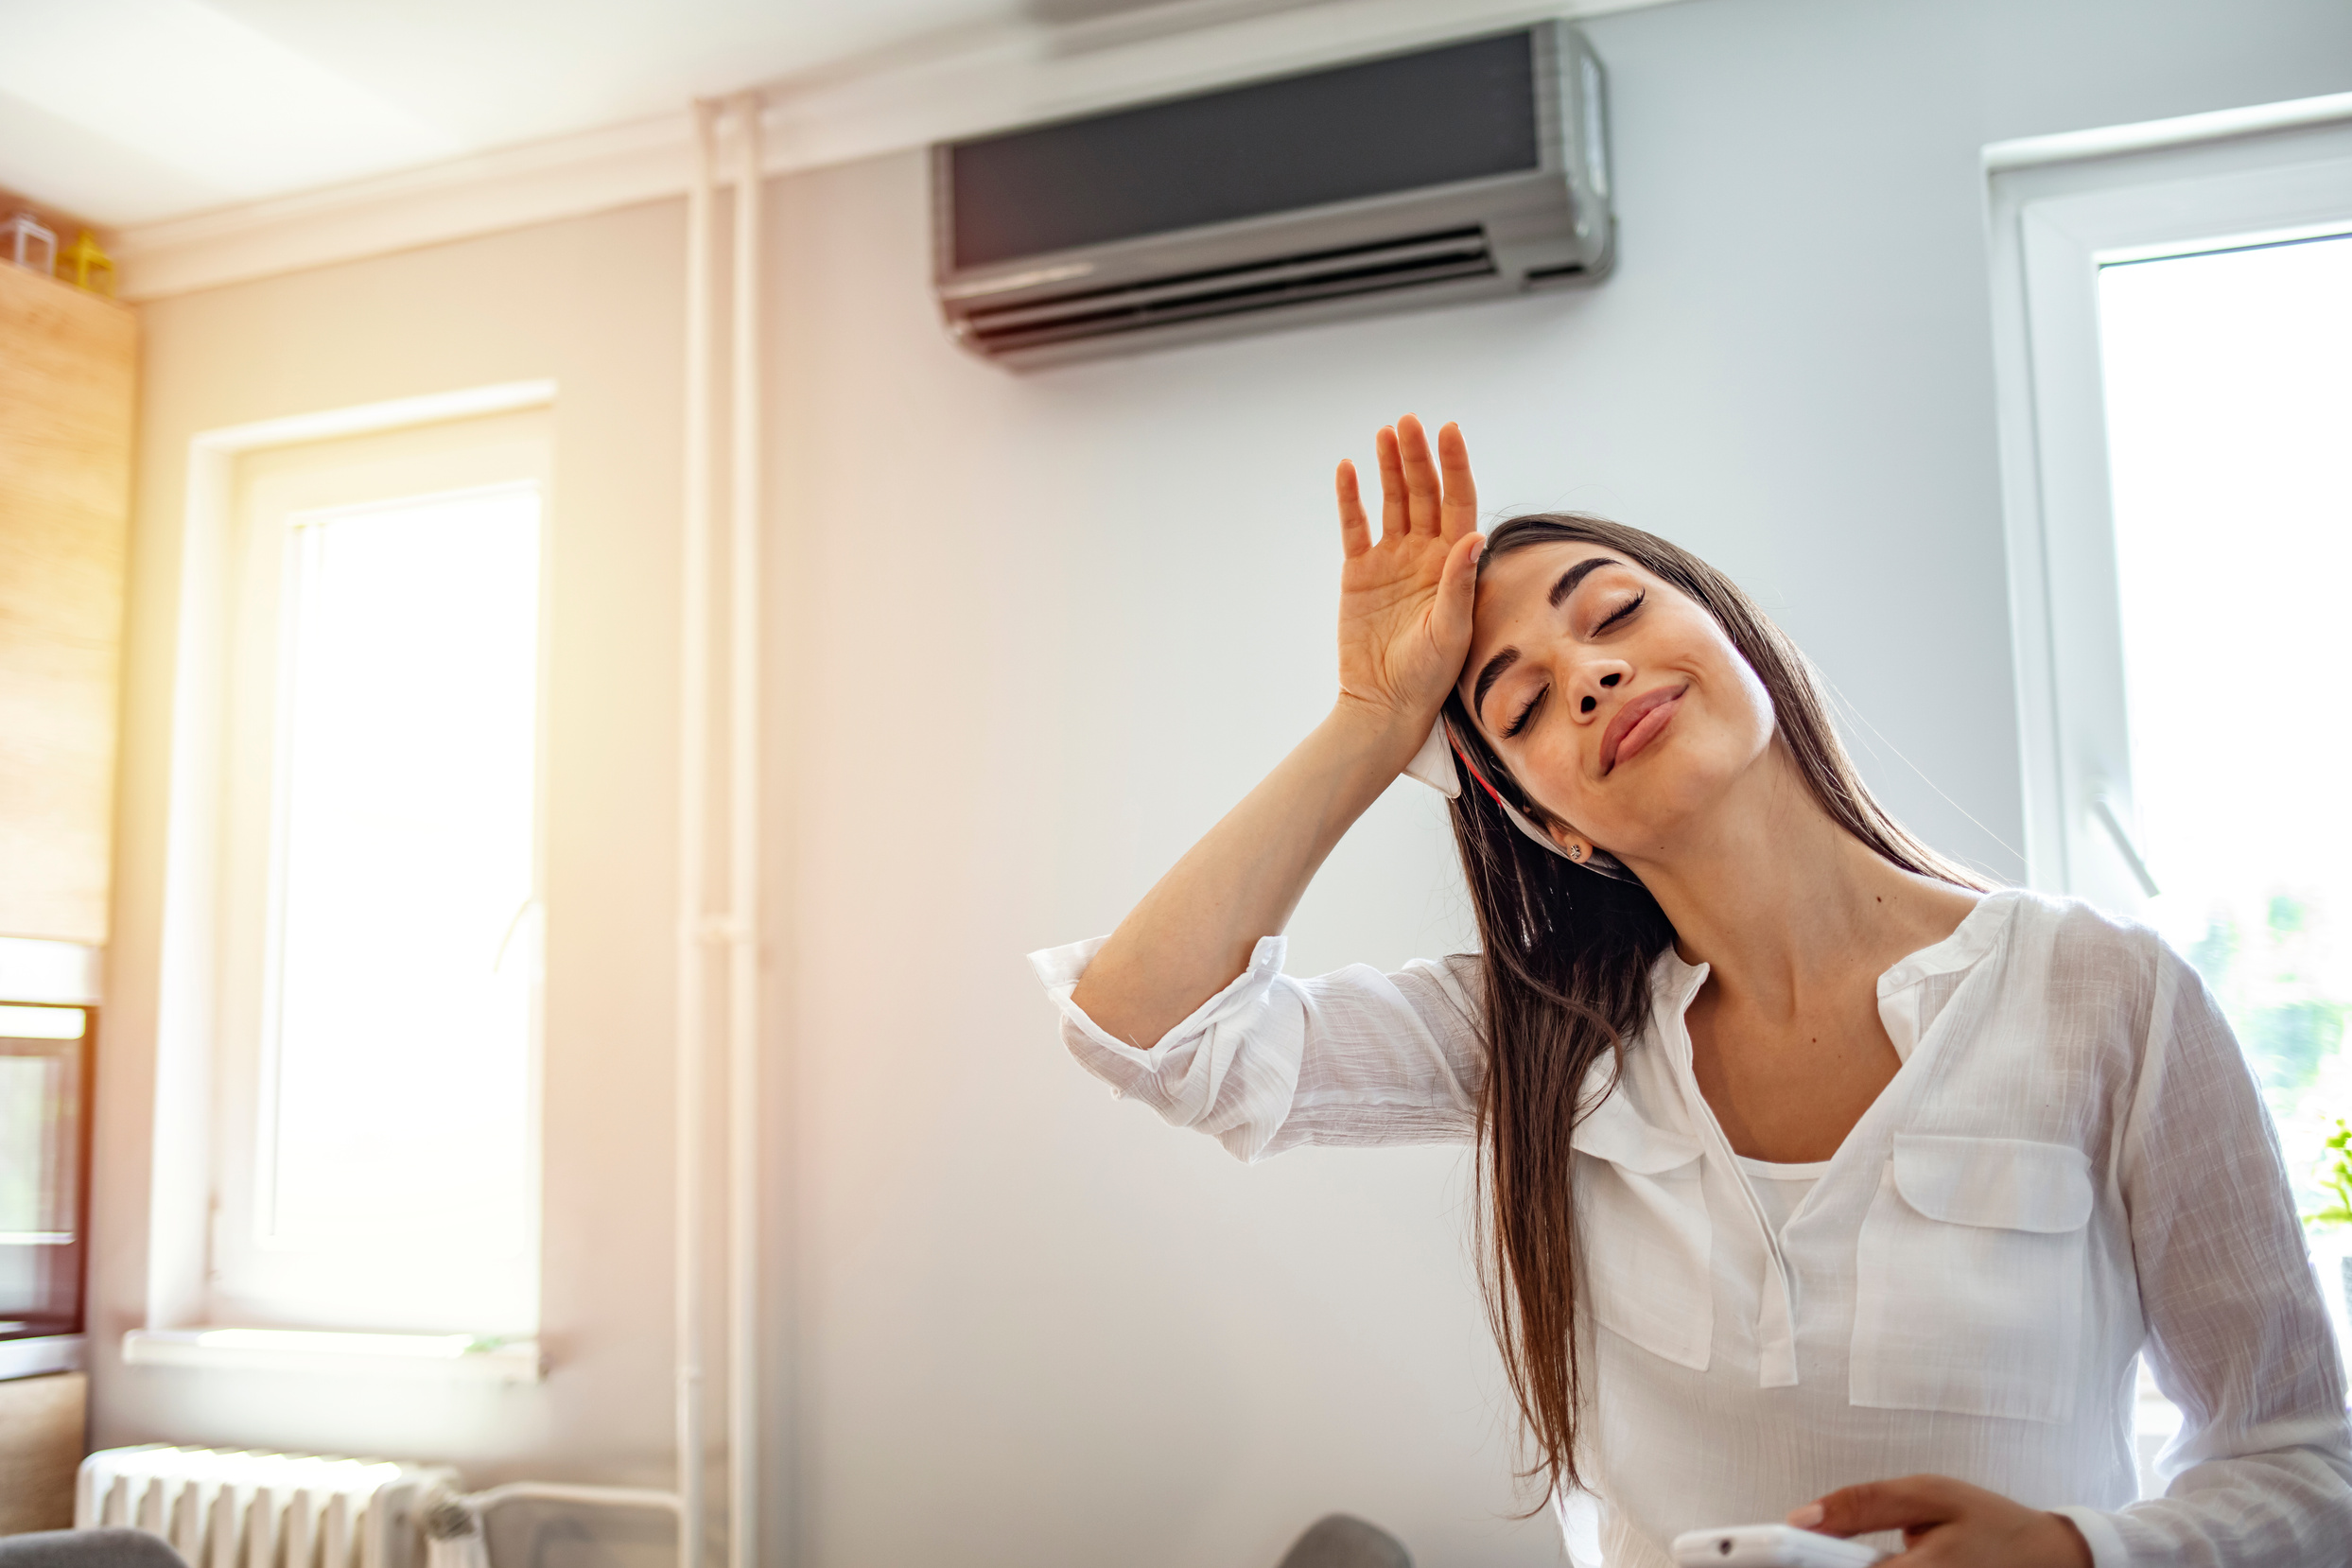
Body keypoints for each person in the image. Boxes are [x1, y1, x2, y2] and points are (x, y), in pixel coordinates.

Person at [1027, 416, 2352, 1567]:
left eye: (1612, 615)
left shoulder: (2104, 993)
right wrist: (1374, 718)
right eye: (1521, 701)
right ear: (1555, 826)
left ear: (1738, 641)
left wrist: (2073, 1548)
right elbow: (1144, 1024)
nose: (1589, 674)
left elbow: (2305, 1469)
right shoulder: (1546, 1036)